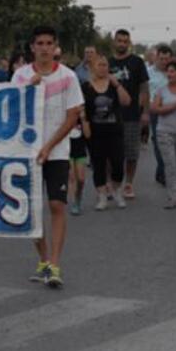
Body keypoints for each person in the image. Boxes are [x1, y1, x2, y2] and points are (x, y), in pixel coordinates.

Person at [12, 26, 83, 289]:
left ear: (55, 47)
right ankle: (42, 260)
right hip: (28, 153)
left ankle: (55, 263)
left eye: (49, 43)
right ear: (32, 47)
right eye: (39, 43)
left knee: (56, 205)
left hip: (57, 152)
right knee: (32, 210)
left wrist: (50, 146)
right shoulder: (20, 76)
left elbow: (73, 115)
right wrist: (27, 91)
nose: (44, 47)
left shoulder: (69, 77)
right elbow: (9, 111)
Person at [82, 55, 132, 211]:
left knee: (118, 163)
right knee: (98, 165)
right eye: (99, 65)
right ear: (92, 67)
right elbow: (81, 108)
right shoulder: (86, 86)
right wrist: (84, 124)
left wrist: (117, 85)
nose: (103, 68)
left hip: (115, 131)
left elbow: (126, 102)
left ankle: (116, 190)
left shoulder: (114, 84)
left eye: (105, 65)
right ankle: (102, 196)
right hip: (95, 133)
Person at [109, 29, 150, 200]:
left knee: (131, 154)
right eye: (119, 41)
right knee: (110, 154)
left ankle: (128, 184)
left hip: (132, 114)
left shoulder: (137, 62)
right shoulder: (107, 62)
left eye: (125, 41)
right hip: (109, 116)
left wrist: (145, 112)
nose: (122, 44)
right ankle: (111, 184)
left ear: (129, 43)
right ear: (114, 42)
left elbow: (144, 88)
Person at [151, 61, 176, 209]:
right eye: (168, 72)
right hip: (165, 132)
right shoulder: (161, 90)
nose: (169, 74)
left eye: (173, 72)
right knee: (170, 165)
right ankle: (173, 197)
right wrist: (175, 106)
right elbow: (155, 109)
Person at [148, 45, 173, 186]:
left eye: (167, 59)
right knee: (159, 143)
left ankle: (162, 171)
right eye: (161, 58)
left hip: (174, 111)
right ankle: (164, 172)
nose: (164, 61)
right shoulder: (149, 72)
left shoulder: (175, 72)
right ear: (156, 57)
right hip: (156, 111)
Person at [67, 113, 90, 216]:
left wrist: (83, 118)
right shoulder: (66, 117)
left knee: (81, 178)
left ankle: (78, 196)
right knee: (72, 177)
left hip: (80, 151)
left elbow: (88, 134)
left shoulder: (83, 118)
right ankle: (75, 203)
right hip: (67, 151)